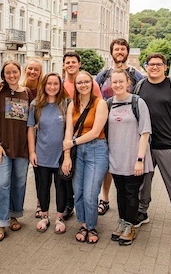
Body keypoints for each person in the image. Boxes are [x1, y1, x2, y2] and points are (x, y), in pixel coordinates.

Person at [135, 52, 171, 236]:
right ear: (146, 66)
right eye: (151, 64)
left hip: (169, 146)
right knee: (143, 183)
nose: (154, 67)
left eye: (158, 64)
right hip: (146, 146)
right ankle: (142, 212)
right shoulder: (140, 86)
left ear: (165, 67)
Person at [95, 38, 144, 216]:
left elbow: (143, 99)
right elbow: (96, 98)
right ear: (112, 52)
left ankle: (133, 203)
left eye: (123, 49)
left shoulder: (136, 75)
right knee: (108, 162)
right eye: (117, 49)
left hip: (130, 127)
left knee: (132, 163)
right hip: (107, 125)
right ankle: (105, 198)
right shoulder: (103, 75)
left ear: (127, 52)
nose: (120, 52)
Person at [0, 60, 34, 241]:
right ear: (3, 74)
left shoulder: (27, 93)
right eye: (8, 73)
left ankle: (14, 214)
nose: (11, 75)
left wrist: (31, 149)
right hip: (2, 149)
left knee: (19, 182)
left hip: (21, 148)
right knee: (1, 183)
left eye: (14, 72)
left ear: (20, 72)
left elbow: (31, 124)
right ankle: (1, 222)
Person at [106, 69, 153, 246]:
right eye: (114, 82)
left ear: (128, 83)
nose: (117, 85)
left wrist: (140, 159)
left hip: (134, 159)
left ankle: (131, 226)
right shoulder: (109, 103)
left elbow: (145, 132)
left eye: (121, 81)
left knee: (132, 193)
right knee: (120, 192)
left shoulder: (137, 102)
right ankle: (122, 221)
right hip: (116, 158)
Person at [62, 71, 108, 244]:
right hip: (77, 152)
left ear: (92, 83)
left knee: (90, 193)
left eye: (86, 82)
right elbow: (68, 131)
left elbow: (96, 132)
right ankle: (83, 223)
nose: (83, 85)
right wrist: (67, 156)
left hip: (96, 150)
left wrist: (72, 143)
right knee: (78, 191)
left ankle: (92, 226)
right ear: (75, 85)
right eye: (79, 83)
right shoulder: (71, 105)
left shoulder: (100, 103)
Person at [60, 51, 101, 221]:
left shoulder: (96, 92)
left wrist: (71, 142)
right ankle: (74, 211)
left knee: (88, 188)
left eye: (73, 62)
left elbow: (96, 117)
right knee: (72, 181)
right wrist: (67, 148)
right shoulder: (62, 87)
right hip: (69, 138)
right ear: (64, 65)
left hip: (89, 142)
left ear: (79, 64)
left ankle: (89, 223)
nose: (70, 65)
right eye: (67, 62)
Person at [27, 73, 70, 234]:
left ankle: (59, 217)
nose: (52, 87)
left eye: (56, 84)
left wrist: (67, 154)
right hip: (42, 153)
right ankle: (44, 215)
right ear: (44, 85)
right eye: (49, 84)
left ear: (60, 86)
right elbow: (30, 129)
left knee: (61, 186)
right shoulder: (35, 105)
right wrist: (32, 151)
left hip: (60, 155)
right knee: (43, 186)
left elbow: (70, 130)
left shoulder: (66, 103)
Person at [21, 57, 45, 218]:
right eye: (30, 68)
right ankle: (16, 206)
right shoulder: (19, 88)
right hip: (19, 136)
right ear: (25, 69)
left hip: (39, 137)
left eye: (36, 69)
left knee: (39, 172)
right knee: (20, 173)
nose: (33, 72)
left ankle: (40, 203)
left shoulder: (44, 90)